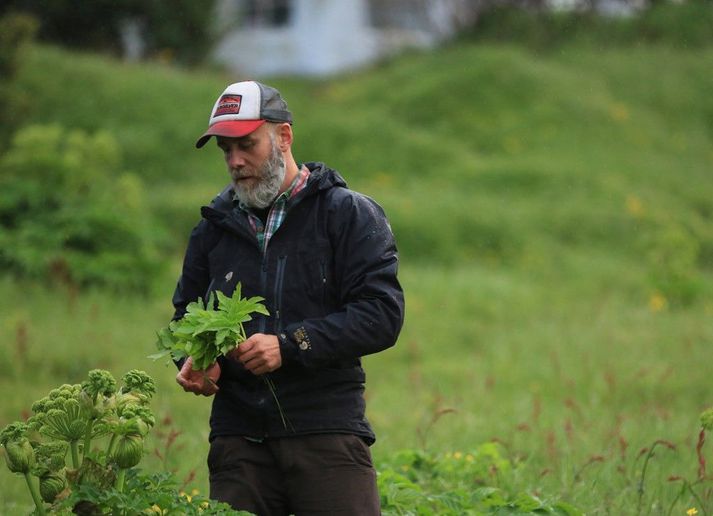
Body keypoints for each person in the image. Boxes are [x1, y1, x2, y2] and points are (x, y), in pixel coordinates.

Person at [172, 80, 405, 515]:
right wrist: (194, 359)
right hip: (237, 442)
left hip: (326, 432)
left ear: (284, 136)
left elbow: (382, 314)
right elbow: (184, 318)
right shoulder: (211, 230)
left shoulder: (348, 215)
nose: (235, 161)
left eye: (246, 145)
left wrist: (290, 344)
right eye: (226, 149)